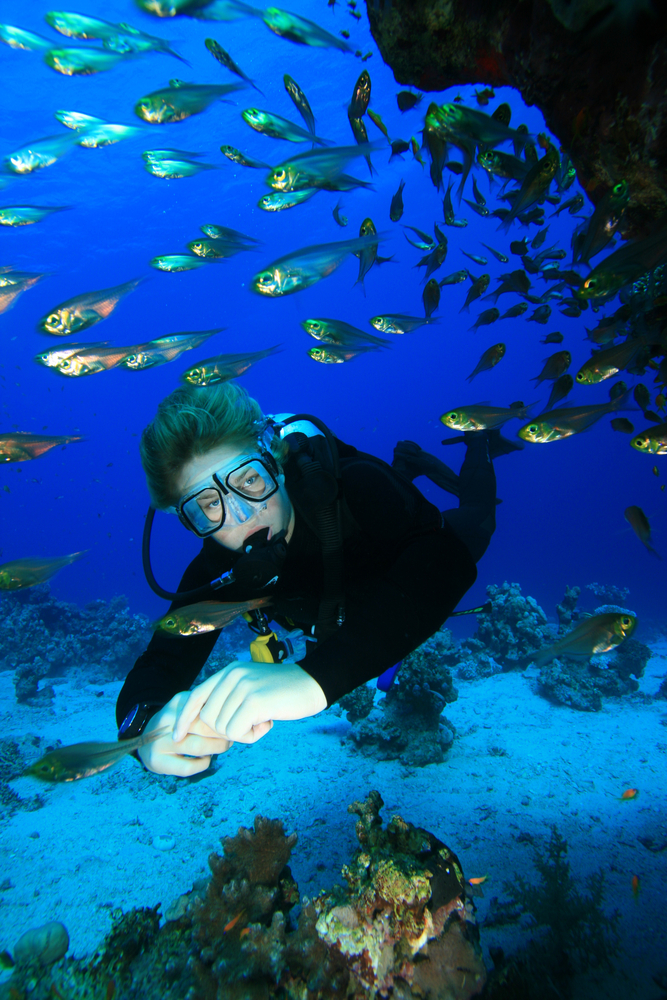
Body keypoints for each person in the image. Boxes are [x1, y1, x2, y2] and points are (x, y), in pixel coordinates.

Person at [116, 381, 502, 776]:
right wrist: (146, 730)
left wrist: (311, 681)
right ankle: (409, 463)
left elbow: (448, 563)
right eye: (209, 504)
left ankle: (479, 443)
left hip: (394, 542)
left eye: (249, 480)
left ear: (275, 466)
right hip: (364, 612)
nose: (242, 516)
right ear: (188, 520)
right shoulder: (219, 569)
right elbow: (161, 662)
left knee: (479, 522)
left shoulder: (355, 484)